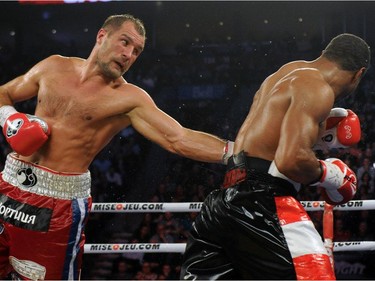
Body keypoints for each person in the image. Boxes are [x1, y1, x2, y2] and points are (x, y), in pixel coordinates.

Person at [0, 14, 234, 280]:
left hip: (55, 204)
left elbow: (177, 138)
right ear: (102, 36)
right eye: (125, 43)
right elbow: (3, 93)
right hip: (7, 186)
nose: (129, 55)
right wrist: (10, 120)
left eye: (137, 51)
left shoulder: (129, 99)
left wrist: (236, 152)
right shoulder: (53, 67)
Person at [180, 33, 370, 280]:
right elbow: (290, 160)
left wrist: (317, 135)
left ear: (325, 54)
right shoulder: (319, 89)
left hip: (221, 204)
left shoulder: (286, 72)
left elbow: (268, 142)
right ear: (359, 73)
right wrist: (331, 174)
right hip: (263, 204)